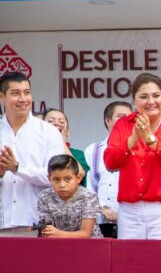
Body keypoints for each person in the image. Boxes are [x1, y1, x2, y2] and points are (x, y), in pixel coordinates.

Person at [104, 72, 161, 240]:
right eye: (144, 97)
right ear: (134, 100)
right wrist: (132, 140)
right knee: (130, 260)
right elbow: (110, 162)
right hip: (130, 209)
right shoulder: (124, 125)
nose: (151, 102)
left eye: (156, 96)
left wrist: (151, 139)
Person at [0, 72, 66, 228]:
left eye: (27, 92)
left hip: (36, 223)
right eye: (16, 93)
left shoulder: (48, 132)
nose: (23, 99)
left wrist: (17, 168)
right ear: (2, 97)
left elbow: (57, 176)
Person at [84, 100, 133, 238]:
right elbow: (89, 185)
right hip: (100, 219)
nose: (126, 121)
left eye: (130, 118)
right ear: (108, 120)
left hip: (131, 220)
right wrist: (103, 207)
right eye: (121, 117)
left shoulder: (138, 148)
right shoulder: (93, 150)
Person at [37, 154, 102, 238]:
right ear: (49, 179)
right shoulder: (44, 196)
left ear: (78, 178)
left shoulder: (89, 196)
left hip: (89, 246)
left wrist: (58, 234)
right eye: (56, 179)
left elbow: (85, 234)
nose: (62, 185)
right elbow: (47, 230)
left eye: (67, 179)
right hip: (57, 245)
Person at [43, 108, 90, 186]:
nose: (57, 123)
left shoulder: (77, 154)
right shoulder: (36, 153)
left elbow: (79, 174)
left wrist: (61, 141)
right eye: (51, 121)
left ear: (68, 132)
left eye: (61, 122)